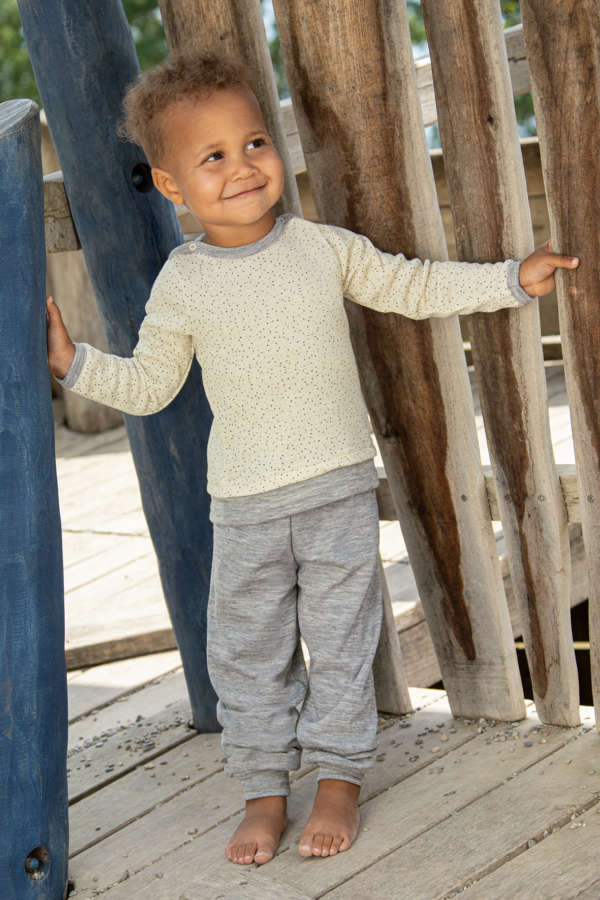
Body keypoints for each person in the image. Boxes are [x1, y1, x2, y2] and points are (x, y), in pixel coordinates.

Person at [46, 49, 579, 867]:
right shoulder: (183, 283)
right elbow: (151, 386)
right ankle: (264, 789)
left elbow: (413, 287)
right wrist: (71, 361)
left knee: (341, 640)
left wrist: (515, 280)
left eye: (255, 143)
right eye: (212, 156)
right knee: (247, 651)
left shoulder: (322, 248)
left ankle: (338, 779)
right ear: (173, 187)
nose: (243, 166)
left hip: (333, 490)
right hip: (246, 505)